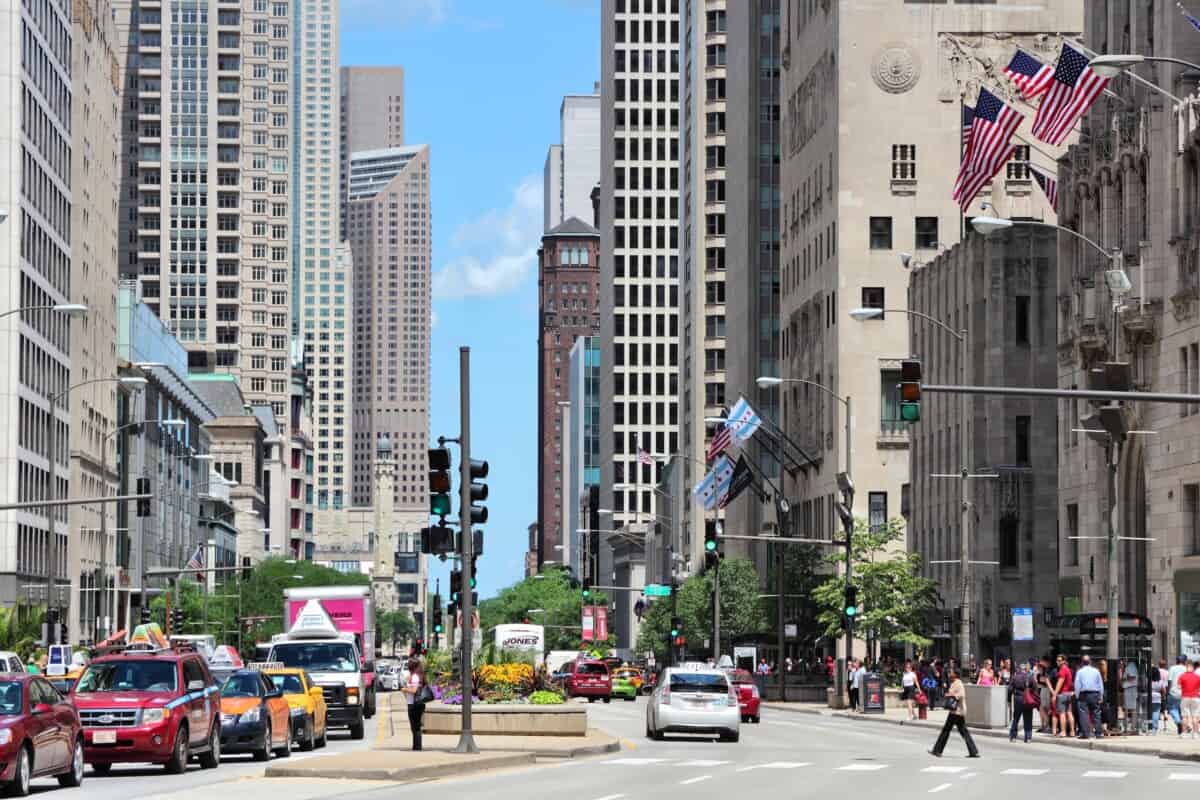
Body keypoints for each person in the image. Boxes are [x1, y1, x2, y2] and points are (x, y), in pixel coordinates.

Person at [929, 669, 979, 758]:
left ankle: (937, 750)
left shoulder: (958, 683)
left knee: (946, 730)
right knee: (963, 731)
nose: (949, 674)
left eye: (951, 672)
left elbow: (962, 694)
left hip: (957, 711)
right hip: (957, 711)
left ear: (955, 674)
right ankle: (973, 751)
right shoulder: (954, 682)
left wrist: (951, 695)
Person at [401, 657, 428, 751]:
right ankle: (415, 746)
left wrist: (405, 689)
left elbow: (414, 690)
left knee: (416, 727)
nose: (408, 666)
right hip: (412, 703)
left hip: (415, 704)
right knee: (414, 726)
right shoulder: (413, 676)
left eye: (409, 664)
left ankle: (417, 747)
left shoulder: (415, 677)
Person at [1075, 655, 1104, 740]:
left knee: (1084, 714)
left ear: (1082, 662)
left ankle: (1085, 733)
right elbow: (1100, 684)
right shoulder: (1096, 671)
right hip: (1095, 693)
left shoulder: (1080, 672)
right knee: (1096, 713)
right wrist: (1101, 695)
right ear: (1090, 661)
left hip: (1083, 694)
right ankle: (1098, 733)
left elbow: (1077, 685)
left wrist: (1077, 695)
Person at [1008, 660, 1035, 743]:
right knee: (1028, 718)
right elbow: (1035, 688)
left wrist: (1009, 700)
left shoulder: (1015, 677)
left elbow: (1010, 690)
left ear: (1019, 669)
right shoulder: (1030, 677)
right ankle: (1028, 737)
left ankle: (1013, 737)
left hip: (1018, 698)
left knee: (1016, 718)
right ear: (1026, 669)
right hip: (1027, 698)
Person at [1052, 654, 1075, 738]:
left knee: (1062, 713)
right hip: (1069, 694)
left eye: (1059, 660)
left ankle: (1063, 731)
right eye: (1057, 660)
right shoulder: (1068, 670)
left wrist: (1054, 694)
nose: (1057, 662)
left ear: (1063, 661)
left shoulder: (1062, 670)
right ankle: (1072, 731)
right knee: (1069, 712)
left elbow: (1060, 682)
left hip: (1062, 694)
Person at [1168, 654, 1188, 735]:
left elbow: (1169, 681)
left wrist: (1167, 691)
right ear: (1185, 661)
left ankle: (1178, 721)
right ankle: (1184, 727)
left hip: (1174, 692)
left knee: (1173, 709)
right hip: (1185, 693)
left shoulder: (1172, 668)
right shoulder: (1186, 669)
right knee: (1183, 711)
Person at [1179, 660, 1200, 739]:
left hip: (1185, 697)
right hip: (1196, 697)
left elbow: (1178, 686)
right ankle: (1195, 734)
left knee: (1185, 716)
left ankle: (1184, 733)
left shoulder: (1182, 676)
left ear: (1186, 667)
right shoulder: (1197, 677)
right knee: (1195, 716)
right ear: (1193, 667)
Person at [1120, 659, 1139, 734]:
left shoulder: (1131, 666)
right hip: (1129, 688)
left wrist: (1123, 678)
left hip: (1130, 688)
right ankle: (1129, 727)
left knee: (1130, 709)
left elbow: (1132, 677)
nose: (1122, 662)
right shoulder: (1129, 666)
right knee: (1129, 709)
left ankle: (1131, 727)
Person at [1150, 660, 1168, 734]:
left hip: (1150, 697)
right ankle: (1155, 727)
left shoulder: (1149, 681)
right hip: (1157, 697)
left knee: (1150, 712)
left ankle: (1149, 726)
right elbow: (1164, 690)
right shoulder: (1160, 682)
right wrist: (1163, 696)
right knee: (1156, 712)